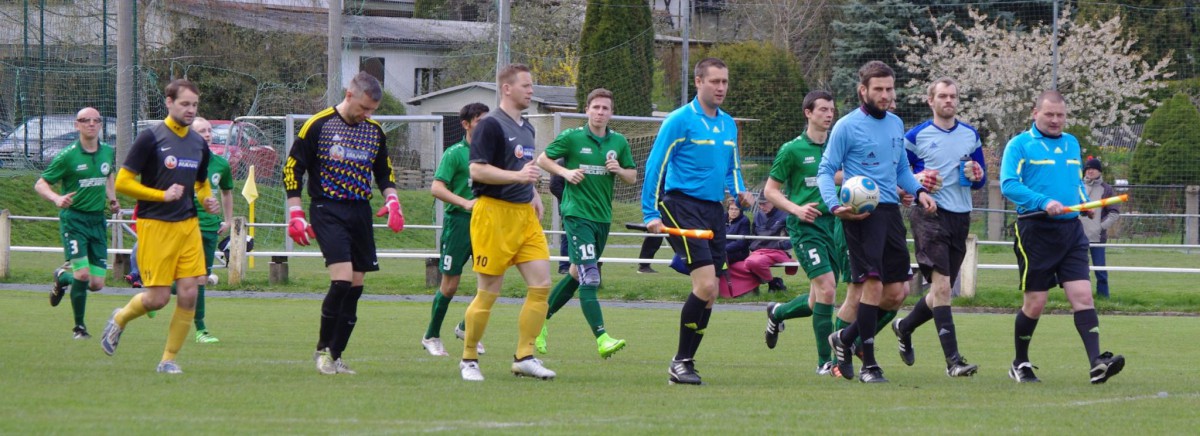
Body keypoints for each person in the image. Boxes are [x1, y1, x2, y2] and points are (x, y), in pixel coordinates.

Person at [818, 61, 936, 383]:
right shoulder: (846, 126)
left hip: (890, 213)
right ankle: (869, 364)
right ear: (863, 91)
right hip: (860, 215)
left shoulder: (896, 124)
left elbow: (900, 170)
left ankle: (844, 338)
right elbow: (826, 170)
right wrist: (834, 205)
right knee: (871, 285)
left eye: (889, 89)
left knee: (897, 292)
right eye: (878, 89)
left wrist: (920, 191)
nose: (885, 95)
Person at [284, 71, 406, 375]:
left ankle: (336, 355)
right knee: (341, 280)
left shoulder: (374, 131)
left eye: (372, 111)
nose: (367, 115)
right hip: (327, 208)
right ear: (349, 95)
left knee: (355, 286)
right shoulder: (319, 124)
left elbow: (383, 172)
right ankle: (322, 350)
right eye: (364, 108)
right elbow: (292, 168)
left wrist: (392, 200)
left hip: (360, 211)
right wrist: (295, 212)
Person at [642, 57, 754, 385]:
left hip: (714, 211)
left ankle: (685, 362)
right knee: (704, 284)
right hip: (680, 206)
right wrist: (650, 213)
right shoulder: (679, 120)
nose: (721, 88)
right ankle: (680, 361)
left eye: (725, 82)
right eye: (714, 81)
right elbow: (654, 166)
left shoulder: (729, 123)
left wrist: (740, 193)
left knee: (712, 291)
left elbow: (732, 167)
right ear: (698, 82)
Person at [1000, 90, 1124, 384]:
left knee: (1083, 296)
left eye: (1060, 115)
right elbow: (1008, 185)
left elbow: (1074, 182)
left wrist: (1084, 205)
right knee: (1036, 302)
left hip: (1071, 231)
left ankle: (1096, 363)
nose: (1056, 120)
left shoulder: (1072, 143)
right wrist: (1044, 202)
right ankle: (1020, 362)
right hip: (1035, 230)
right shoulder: (1019, 145)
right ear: (1035, 113)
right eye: (1049, 114)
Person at [100, 79, 220, 374]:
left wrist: (207, 200)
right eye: (185, 104)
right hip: (156, 226)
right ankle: (120, 318)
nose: (191, 110)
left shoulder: (198, 143)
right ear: (169, 102)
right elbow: (125, 182)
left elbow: (202, 183)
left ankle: (168, 360)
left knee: (190, 292)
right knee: (158, 298)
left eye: (194, 105)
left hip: (188, 224)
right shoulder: (150, 138)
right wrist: (161, 195)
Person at [457, 64, 556, 381]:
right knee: (488, 292)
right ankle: (469, 359)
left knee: (541, 285)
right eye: (526, 85)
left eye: (531, 85)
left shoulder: (527, 127)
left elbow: (524, 168)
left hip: (524, 216)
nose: (531, 90)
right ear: (507, 88)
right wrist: (517, 177)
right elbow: (477, 171)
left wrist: (533, 193)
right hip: (493, 215)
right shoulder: (489, 126)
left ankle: (524, 356)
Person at [890, 78, 985, 377]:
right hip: (928, 214)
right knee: (942, 287)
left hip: (960, 215)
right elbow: (900, 173)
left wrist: (979, 173)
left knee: (939, 294)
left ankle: (904, 327)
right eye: (942, 96)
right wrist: (920, 178)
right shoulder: (915, 136)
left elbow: (979, 177)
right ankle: (953, 361)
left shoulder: (970, 134)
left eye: (953, 96)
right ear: (930, 100)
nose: (949, 101)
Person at [534, 88, 637, 359]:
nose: (600, 112)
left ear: (611, 113)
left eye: (605, 108)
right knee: (590, 275)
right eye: (596, 107)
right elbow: (542, 159)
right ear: (587, 110)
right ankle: (602, 338)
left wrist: (620, 171)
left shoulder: (619, 143)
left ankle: (539, 320)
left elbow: (633, 177)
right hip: (577, 214)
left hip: (602, 217)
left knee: (577, 273)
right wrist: (565, 171)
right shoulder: (572, 137)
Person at [761, 90, 845, 375]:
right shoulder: (792, 150)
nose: (829, 114)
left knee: (817, 300)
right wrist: (796, 210)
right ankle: (825, 363)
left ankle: (778, 312)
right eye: (822, 109)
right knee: (828, 288)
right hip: (805, 227)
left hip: (833, 226)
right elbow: (770, 191)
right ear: (808, 113)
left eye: (831, 109)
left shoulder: (837, 147)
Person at [36, 107, 119, 339]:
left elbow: (108, 174)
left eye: (96, 120)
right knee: (82, 275)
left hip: (97, 221)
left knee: (97, 284)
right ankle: (79, 328)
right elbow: (40, 184)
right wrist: (57, 198)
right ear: (77, 125)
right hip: (74, 221)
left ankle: (63, 278)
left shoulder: (108, 152)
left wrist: (112, 199)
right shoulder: (68, 155)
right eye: (86, 120)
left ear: (101, 124)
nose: (91, 124)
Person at [421, 102, 489, 357]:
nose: (485, 126)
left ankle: (465, 328)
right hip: (459, 224)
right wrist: (465, 203)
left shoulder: (492, 153)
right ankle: (431, 336)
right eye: (480, 121)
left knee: (490, 283)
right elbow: (436, 188)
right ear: (466, 124)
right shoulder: (455, 153)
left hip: (486, 226)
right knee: (449, 286)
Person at [178, 117, 234, 344]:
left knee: (200, 278)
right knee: (191, 279)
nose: (208, 134)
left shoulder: (220, 164)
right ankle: (154, 295)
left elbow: (227, 192)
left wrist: (228, 221)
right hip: (184, 227)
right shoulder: (180, 161)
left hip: (210, 229)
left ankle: (200, 329)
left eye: (209, 130)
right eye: (202, 131)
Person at [1080, 158, 1119, 299]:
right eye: (1087, 168)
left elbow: (1114, 213)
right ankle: (1083, 298)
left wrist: (1100, 227)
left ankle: (1103, 298)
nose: (1090, 171)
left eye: (1093, 168)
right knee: (1080, 270)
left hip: (1097, 238)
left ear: (1099, 171)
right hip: (1077, 237)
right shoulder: (1077, 187)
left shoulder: (1107, 189)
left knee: (1100, 269)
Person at [743, 196, 793, 293]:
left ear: (773, 201)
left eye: (764, 203)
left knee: (754, 262)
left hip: (778, 251)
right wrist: (752, 246)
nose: (761, 206)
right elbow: (753, 235)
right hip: (759, 251)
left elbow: (794, 237)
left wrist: (780, 246)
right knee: (744, 264)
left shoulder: (786, 215)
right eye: (760, 204)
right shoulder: (758, 215)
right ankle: (773, 283)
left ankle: (772, 283)